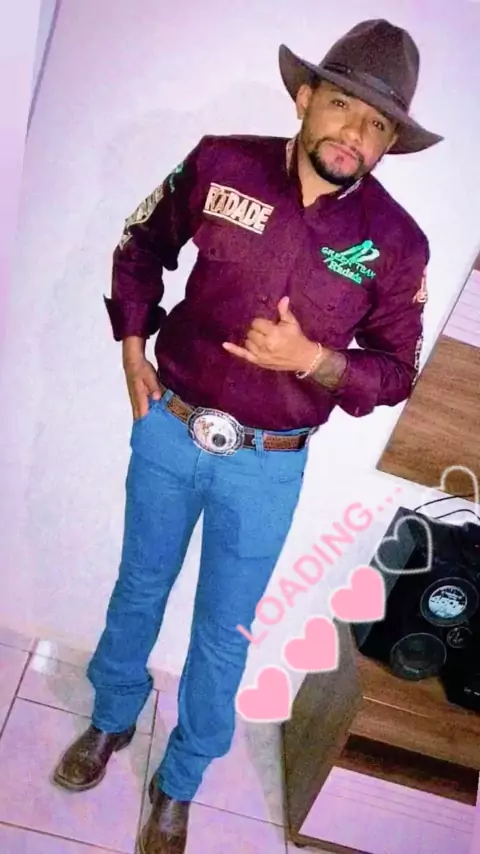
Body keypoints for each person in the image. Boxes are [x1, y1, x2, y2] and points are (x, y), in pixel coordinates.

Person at [52, 18, 442, 854]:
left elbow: (395, 373)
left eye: (378, 124)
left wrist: (316, 361)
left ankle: (180, 781)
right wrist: (131, 347)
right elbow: (139, 245)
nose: (355, 132)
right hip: (170, 430)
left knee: (223, 632)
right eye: (342, 106)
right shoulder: (221, 163)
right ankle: (111, 718)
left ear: (389, 144)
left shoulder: (398, 245)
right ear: (305, 99)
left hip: (267, 468)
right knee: (137, 590)